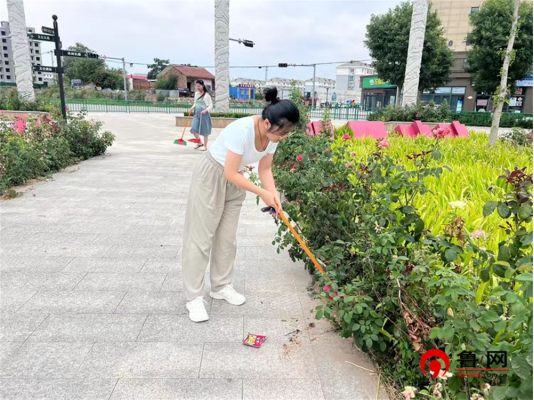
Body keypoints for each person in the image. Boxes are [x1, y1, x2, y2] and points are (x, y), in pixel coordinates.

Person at [182, 87, 300, 322]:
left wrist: (273, 194)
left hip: (236, 180)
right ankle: (193, 297)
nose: (283, 137)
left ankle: (220, 286)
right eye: (282, 133)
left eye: (288, 133)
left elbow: (265, 169)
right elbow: (228, 172)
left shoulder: (273, 136)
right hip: (212, 175)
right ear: (267, 123)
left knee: (227, 238)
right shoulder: (242, 130)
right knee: (201, 237)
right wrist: (262, 193)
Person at [189, 79, 213, 151]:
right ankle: (199, 143)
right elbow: (195, 103)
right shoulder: (196, 94)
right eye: (197, 86)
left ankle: (205, 146)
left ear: (202, 86)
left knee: (205, 131)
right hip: (197, 113)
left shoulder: (207, 95)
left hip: (204, 114)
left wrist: (205, 110)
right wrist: (192, 108)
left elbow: (211, 105)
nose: (198, 88)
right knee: (193, 129)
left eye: (199, 86)